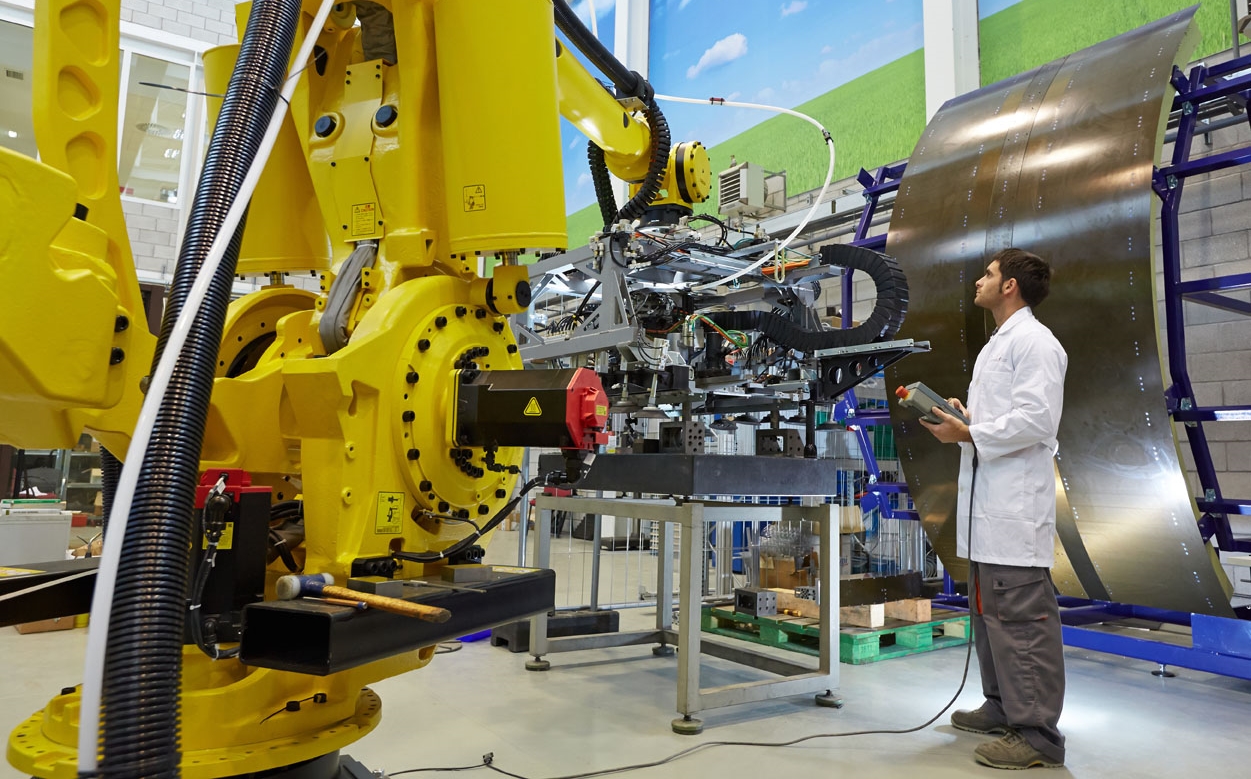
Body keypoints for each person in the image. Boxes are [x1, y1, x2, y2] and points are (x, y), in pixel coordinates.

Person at [920, 248, 1068, 770]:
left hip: (1013, 513)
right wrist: (966, 419)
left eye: (987, 275)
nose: (978, 282)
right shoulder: (997, 345)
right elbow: (998, 420)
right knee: (992, 618)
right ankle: (1003, 705)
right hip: (988, 513)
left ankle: (1038, 735)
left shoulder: (1035, 343)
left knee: (1022, 621)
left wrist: (970, 432)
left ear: (1010, 286)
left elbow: (1037, 420)